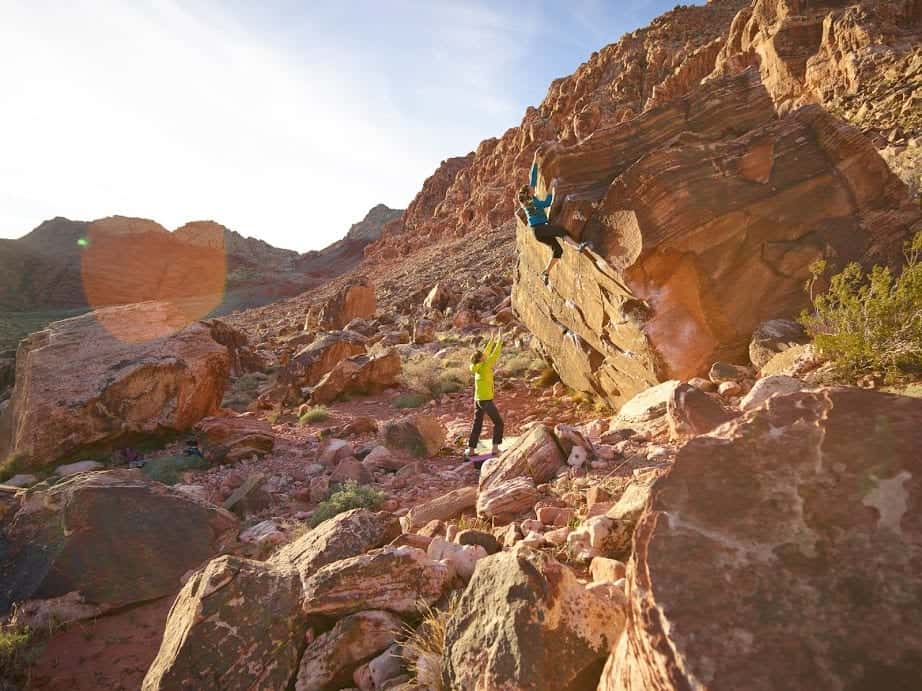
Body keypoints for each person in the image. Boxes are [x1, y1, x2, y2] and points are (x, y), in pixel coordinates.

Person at [516, 154, 589, 285]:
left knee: (558, 250)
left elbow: (532, 177)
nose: (533, 187)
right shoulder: (531, 202)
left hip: (540, 232)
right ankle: (578, 247)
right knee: (560, 230)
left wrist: (535, 160)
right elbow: (547, 203)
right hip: (539, 230)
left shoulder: (531, 195)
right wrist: (552, 187)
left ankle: (546, 272)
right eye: (531, 188)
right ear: (528, 192)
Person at [465, 329, 505, 459]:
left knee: (477, 424)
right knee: (499, 423)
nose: (485, 355)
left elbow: (486, 353)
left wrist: (491, 340)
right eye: (483, 355)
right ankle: (495, 448)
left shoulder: (476, 367)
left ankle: (471, 449)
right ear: (481, 359)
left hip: (478, 400)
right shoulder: (486, 365)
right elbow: (495, 353)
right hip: (486, 400)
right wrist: (499, 340)